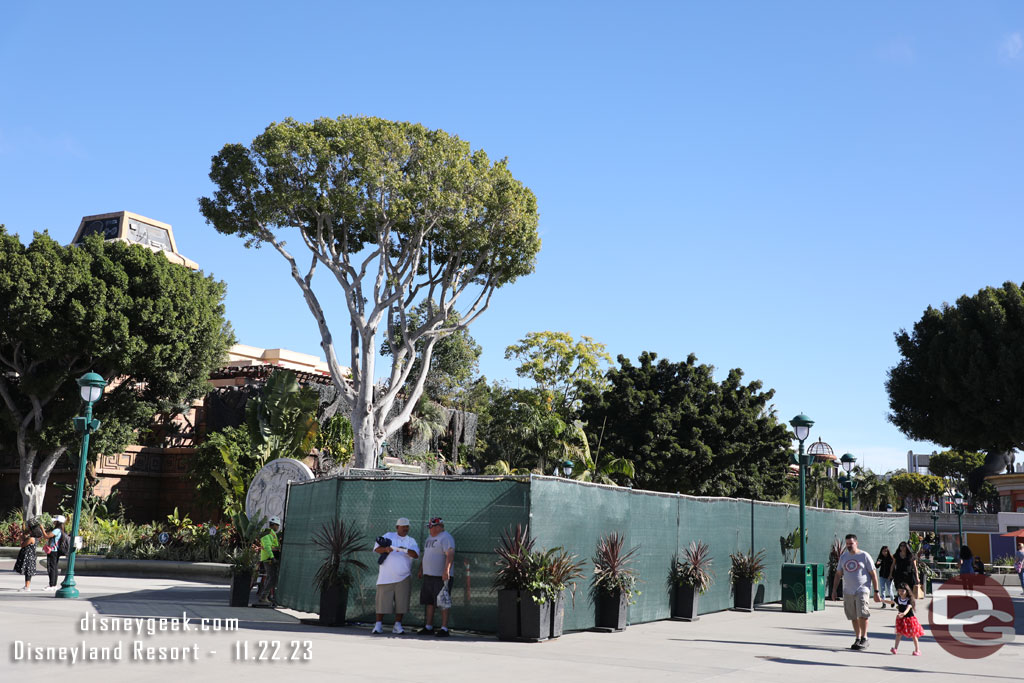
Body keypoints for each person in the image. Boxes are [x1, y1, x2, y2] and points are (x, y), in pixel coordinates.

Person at [830, 533, 882, 650]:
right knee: (853, 616)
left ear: (856, 543)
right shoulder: (843, 557)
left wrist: (876, 591)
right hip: (848, 591)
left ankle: (864, 638)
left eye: (851, 543)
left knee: (862, 614)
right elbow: (838, 574)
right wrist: (834, 590)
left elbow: (873, 574)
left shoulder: (864, 556)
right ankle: (857, 638)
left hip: (862, 589)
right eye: (847, 544)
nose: (849, 546)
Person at [372, 517, 419, 634]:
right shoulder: (388, 535)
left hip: (403, 577)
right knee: (381, 602)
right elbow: (377, 549)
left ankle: (397, 625)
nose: (405, 529)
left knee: (401, 603)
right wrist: (386, 549)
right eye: (403, 527)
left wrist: (404, 550)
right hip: (385, 577)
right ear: (397, 527)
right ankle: (378, 625)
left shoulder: (411, 541)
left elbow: (415, 555)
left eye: (407, 527)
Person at [417, 517, 455, 637]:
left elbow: (450, 554)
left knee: (443, 602)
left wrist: (446, 570)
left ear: (439, 526)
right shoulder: (429, 538)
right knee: (429, 602)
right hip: (429, 575)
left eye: (431, 527)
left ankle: (444, 628)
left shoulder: (446, 537)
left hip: (441, 576)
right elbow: (426, 555)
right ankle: (429, 626)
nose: (430, 529)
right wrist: (421, 569)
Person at [254, 516, 281, 606]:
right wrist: (272, 557)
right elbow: (267, 547)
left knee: (271, 577)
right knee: (272, 577)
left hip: (270, 558)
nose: (278, 527)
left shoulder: (271, 533)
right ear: (273, 525)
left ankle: (266, 596)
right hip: (269, 559)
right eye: (277, 525)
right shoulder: (268, 533)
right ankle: (264, 596)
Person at [890, 582, 924, 656]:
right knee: (898, 634)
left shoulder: (909, 600)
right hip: (901, 619)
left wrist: (904, 613)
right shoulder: (898, 599)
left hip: (910, 619)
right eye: (899, 591)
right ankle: (895, 648)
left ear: (907, 591)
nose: (901, 592)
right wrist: (881, 600)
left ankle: (917, 650)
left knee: (913, 635)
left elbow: (908, 607)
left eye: (902, 591)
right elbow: (891, 602)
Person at [13, 521, 40, 591]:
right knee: (28, 571)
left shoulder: (31, 539)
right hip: (30, 555)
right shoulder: (35, 538)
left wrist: (22, 539)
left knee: (28, 571)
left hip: (28, 556)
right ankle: (26, 586)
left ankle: (27, 587)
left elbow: (22, 545)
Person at [42, 515, 67, 590]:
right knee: (54, 567)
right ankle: (54, 584)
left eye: (55, 521)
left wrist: (42, 528)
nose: (54, 522)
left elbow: (46, 536)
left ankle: (52, 585)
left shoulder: (57, 530)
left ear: (58, 522)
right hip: (56, 550)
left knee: (51, 568)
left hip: (53, 551)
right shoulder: (62, 530)